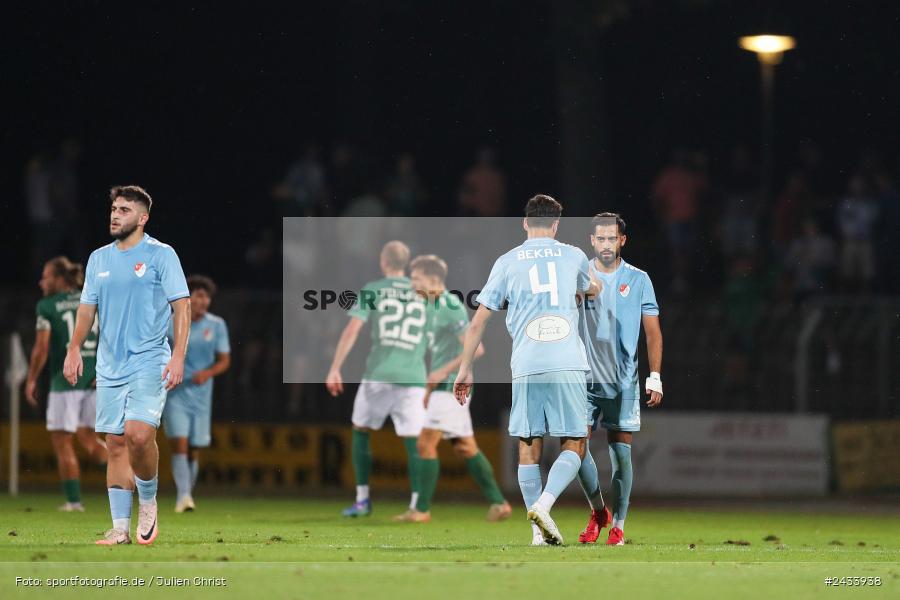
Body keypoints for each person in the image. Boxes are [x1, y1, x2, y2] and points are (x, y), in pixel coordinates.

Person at [454, 194, 600, 546]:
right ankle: (545, 506)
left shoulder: (506, 261)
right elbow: (593, 288)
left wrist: (464, 370)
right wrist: (588, 289)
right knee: (575, 442)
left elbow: (478, 322)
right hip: (566, 360)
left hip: (527, 363)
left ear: (525, 223)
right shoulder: (574, 255)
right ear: (556, 225)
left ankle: (537, 534)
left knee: (528, 444)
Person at [63, 185, 190, 546]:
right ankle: (119, 528)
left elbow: (183, 306)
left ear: (142, 218)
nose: (115, 214)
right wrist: (74, 349)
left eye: (124, 210)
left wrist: (178, 354)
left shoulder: (161, 255)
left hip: (150, 359)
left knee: (137, 435)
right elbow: (87, 310)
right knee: (116, 442)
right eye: (114, 209)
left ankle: (148, 502)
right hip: (109, 365)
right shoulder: (98, 259)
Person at [576, 213, 663, 546]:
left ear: (622, 241)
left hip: (623, 379)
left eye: (612, 238)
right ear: (592, 240)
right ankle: (599, 512)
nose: (606, 244)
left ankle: (619, 526)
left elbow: (652, 332)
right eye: (600, 238)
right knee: (575, 448)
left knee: (621, 456)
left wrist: (655, 376)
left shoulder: (638, 279)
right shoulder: (577, 275)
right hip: (583, 378)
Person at [405, 254, 511, 523]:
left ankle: (421, 511)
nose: (412, 283)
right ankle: (499, 504)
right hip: (441, 387)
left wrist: (442, 372)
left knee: (425, 443)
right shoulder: (430, 305)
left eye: (416, 278)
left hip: (450, 386)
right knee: (465, 447)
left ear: (433, 279)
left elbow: (477, 348)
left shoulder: (449, 305)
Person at [326, 241, 427, 519]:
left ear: (383, 262)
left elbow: (352, 330)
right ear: (406, 264)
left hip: (379, 375)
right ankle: (417, 504)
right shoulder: (424, 292)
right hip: (414, 377)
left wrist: (335, 367)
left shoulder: (373, 289)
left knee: (360, 430)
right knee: (414, 441)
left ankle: (362, 500)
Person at [25, 256, 107, 512]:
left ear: (59, 279)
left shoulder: (48, 306)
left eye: (46, 276)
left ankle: (73, 502)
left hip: (67, 379)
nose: (41, 282)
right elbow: (110, 335)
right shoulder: (92, 299)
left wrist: (31, 378)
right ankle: (126, 477)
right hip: (96, 378)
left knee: (62, 440)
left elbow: (41, 348)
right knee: (90, 438)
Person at [162, 275, 231, 513]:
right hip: (175, 392)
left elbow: (224, 360)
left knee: (194, 448)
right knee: (179, 443)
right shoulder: (171, 321)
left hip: (202, 395)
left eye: (206, 296)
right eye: (197, 295)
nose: (202, 301)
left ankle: (186, 493)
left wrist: (208, 372)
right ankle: (183, 496)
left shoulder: (217, 325)